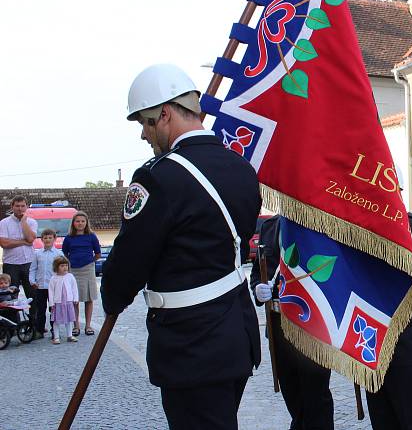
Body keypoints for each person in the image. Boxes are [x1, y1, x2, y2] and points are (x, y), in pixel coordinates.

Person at [101, 64, 261, 429]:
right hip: (235, 333)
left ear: (165, 113)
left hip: (192, 344)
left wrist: (112, 296)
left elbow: (126, 267)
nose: (144, 134)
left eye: (145, 122)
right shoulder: (241, 169)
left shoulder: (158, 178)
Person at [365, 190, 412, 429]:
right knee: (382, 422)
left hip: (409, 346)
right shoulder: (360, 227)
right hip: (372, 346)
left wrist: (378, 287)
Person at [252, 216, 335, 430]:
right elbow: (257, 271)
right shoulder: (270, 227)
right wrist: (258, 289)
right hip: (279, 326)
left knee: (316, 398)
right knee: (292, 394)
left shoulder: (318, 223)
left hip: (313, 327)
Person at [61, 211, 101, 336]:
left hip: (88, 269)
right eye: (77, 221)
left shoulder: (92, 236)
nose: (80, 223)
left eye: (82, 221)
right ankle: (76, 326)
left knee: (89, 298)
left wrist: (89, 262)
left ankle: (88, 326)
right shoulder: (69, 238)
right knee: (75, 299)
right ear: (73, 223)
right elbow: (65, 253)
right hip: (74, 270)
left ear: (86, 222)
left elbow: (98, 253)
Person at [0, 195, 38, 321]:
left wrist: (23, 222)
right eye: (17, 206)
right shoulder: (4, 223)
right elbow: (4, 243)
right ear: (12, 207)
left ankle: (34, 324)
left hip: (29, 263)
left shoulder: (31, 222)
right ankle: (12, 325)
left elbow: (31, 239)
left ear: (26, 207)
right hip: (11, 264)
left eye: (23, 206)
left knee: (32, 295)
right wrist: (22, 242)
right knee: (10, 296)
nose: (20, 209)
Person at [29, 228, 63, 340]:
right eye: (45, 238)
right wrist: (32, 281)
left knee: (53, 309)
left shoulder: (58, 254)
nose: (47, 240)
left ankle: (55, 330)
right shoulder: (37, 254)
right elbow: (33, 268)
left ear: (54, 239)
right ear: (42, 239)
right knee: (40, 309)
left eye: (50, 238)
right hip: (40, 286)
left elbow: (62, 270)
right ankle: (39, 330)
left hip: (53, 287)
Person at [48, 256, 79, 345]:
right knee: (56, 320)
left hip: (68, 302)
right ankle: (56, 337)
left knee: (69, 319)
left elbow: (74, 288)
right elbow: (51, 291)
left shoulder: (70, 276)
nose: (65, 267)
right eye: (62, 266)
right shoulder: (54, 278)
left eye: (66, 265)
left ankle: (69, 335)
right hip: (58, 303)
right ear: (56, 267)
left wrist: (75, 298)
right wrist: (51, 303)